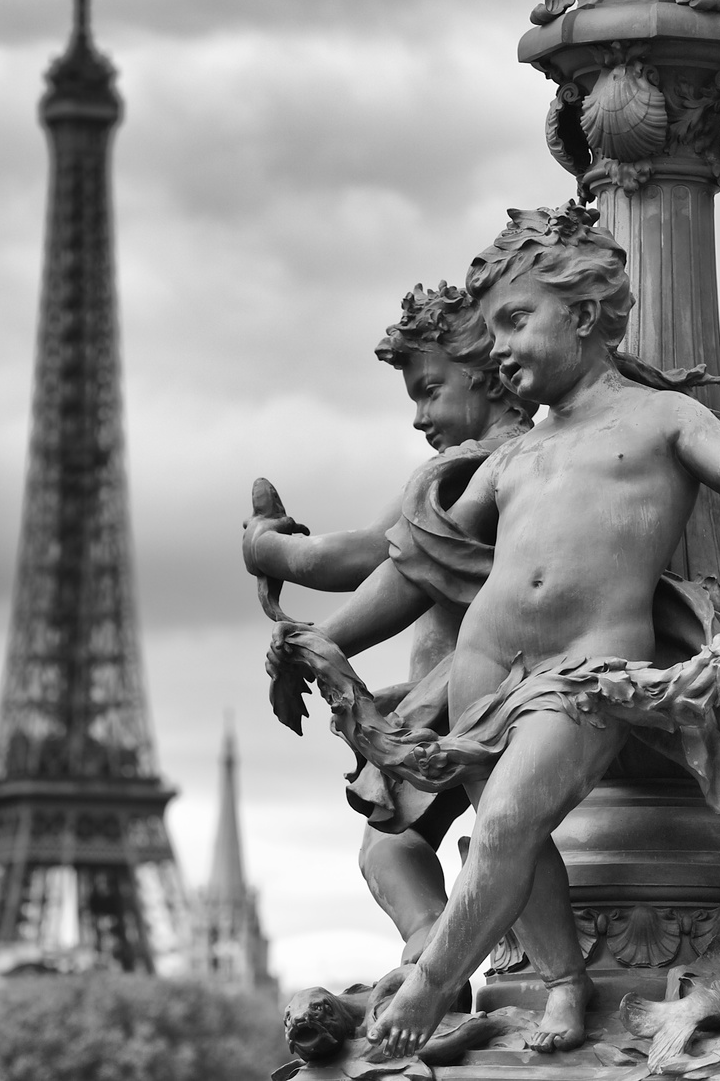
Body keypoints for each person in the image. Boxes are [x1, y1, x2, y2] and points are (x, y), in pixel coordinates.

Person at [268, 204, 720, 1056]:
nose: (497, 347)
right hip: (482, 669)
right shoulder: (511, 457)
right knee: (509, 834)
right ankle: (566, 982)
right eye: (491, 328)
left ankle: (430, 985)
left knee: (504, 824)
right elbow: (421, 563)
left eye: (514, 320)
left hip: (586, 674)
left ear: (583, 315)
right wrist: (329, 641)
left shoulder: (660, 416)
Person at [243, 282, 534, 975]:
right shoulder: (503, 463)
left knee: (392, 848)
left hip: (466, 696)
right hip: (456, 695)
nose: (419, 417)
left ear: (485, 373)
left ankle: (431, 962)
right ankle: (433, 959)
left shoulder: (471, 471)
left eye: (429, 391)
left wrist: (266, 548)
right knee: (418, 845)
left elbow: (357, 558)